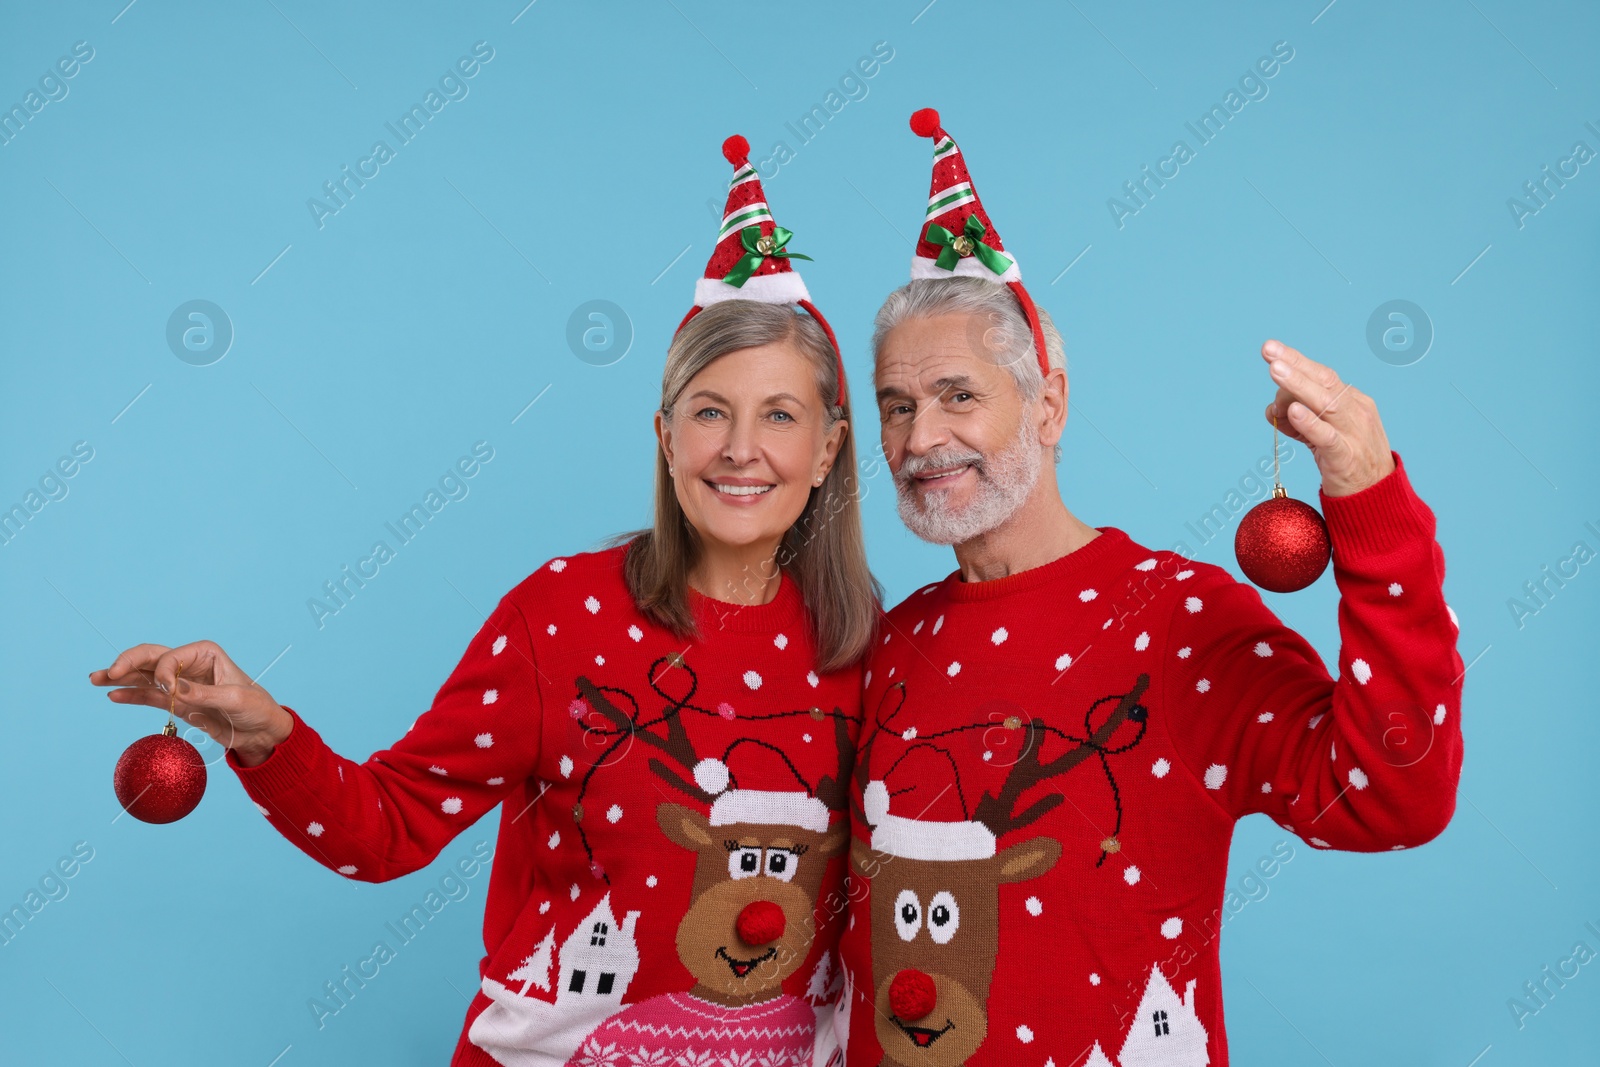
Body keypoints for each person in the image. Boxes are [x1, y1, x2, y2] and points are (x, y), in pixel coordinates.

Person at [90, 135, 879, 1067]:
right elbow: (385, 828)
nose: (741, 448)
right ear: (666, 438)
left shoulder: (870, 649)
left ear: (827, 449)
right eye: (711, 411)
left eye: (779, 415)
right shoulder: (558, 619)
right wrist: (262, 731)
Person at [835, 109, 1463, 1067]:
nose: (921, 440)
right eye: (897, 405)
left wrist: (1371, 506)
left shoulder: (1181, 620)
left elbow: (1392, 797)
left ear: (1048, 402)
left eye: (959, 393)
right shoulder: (884, 642)